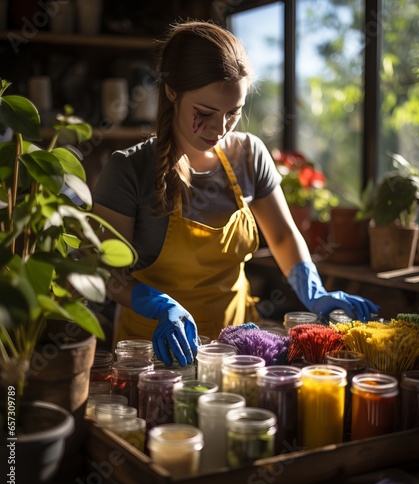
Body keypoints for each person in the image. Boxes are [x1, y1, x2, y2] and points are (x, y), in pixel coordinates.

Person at [92, 20, 379, 368]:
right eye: (205, 114)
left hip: (239, 352)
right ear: (171, 91)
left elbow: (284, 235)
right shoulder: (129, 170)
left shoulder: (249, 155)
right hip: (156, 354)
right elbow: (108, 272)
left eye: (234, 113)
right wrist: (159, 304)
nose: (220, 129)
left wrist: (314, 292)